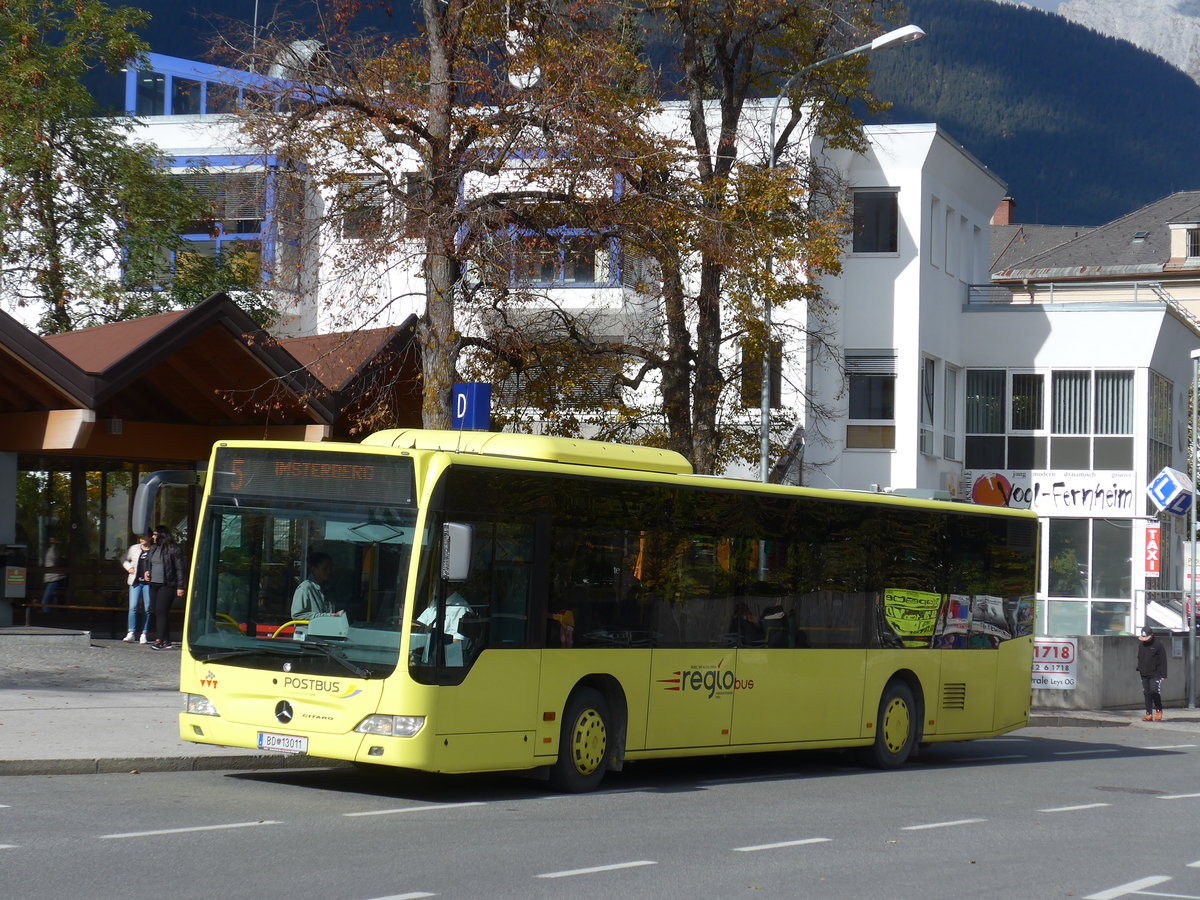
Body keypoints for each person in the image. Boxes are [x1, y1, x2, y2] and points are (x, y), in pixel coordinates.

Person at [146, 526, 186, 650]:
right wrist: (147, 571)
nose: (153, 537)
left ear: (162, 535)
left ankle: (161, 640)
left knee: (161, 612)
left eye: (155, 534)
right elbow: (148, 562)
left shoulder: (174, 549)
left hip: (167, 584)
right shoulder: (153, 548)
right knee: (158, 611)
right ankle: (166, 640)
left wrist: (180, 586)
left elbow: (180, 568)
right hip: (154, 584)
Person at [122, 532, 153, 643]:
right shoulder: (134, 548)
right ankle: (131, 632)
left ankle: (144, 633)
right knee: (133, 607)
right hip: (135, 582)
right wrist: (129, 568)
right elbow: (124, 559)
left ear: (150, 537)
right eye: (141, 536)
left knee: (147, 608)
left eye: (144, 536)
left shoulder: (153, 550)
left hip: (148, 583)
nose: (142, 538)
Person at [291, 551, 342, 619]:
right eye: (325, 568)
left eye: (330, 568)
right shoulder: (305, 588)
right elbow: (297, 615)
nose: (329, 571)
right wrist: (328, 616)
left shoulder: (328, 589)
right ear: (314, 569)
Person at [1136, 625, 1168, 721]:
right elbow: (1139, 657)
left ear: (1152, 635)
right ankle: (1148, 714)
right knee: (1146, 693)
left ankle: (1158, 710)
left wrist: (1163, 674)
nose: (1145, 640)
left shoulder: (1158, 645)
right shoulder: (1141, 645)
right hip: (1144, 672)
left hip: (1155, 673)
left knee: (1154, 691)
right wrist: (1139, 668)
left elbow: (1163, 660)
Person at [40, 536, 66, 607]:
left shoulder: (54, 550)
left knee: (45, 602)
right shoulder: (49, 550)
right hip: (51, 578)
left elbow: (57, 561)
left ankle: (47, 613)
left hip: (54, 578)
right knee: (49, 600)